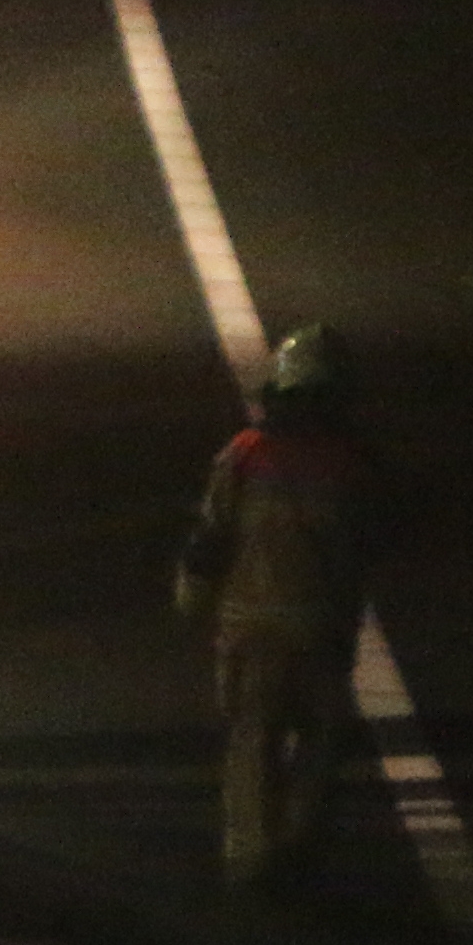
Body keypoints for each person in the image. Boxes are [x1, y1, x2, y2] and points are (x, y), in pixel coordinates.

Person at [176, 324, 377, 885]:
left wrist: (191, 602)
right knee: (320, 748)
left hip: (251, 630)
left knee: (251, 743)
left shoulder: (244, 455)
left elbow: (209, 537)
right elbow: (370, 544)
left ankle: (252, 861)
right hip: (321, 633)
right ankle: (299, 853)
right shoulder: (354, 464)